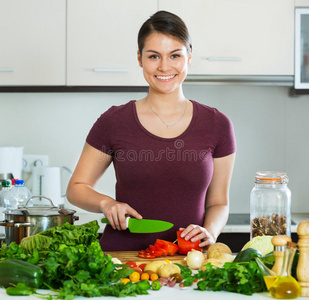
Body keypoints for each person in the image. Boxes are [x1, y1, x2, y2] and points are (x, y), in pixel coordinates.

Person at [66, 10, 236, 251]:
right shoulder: (113, 122)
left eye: (175, 55)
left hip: (188, 262)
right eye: (154, 56)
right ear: (140, 59)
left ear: (189, 57)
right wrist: (106, 203)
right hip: (121, 260)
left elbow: (219, 203)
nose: (164, 66)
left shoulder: (217, 124)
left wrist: (210, 231)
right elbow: (76, 188)